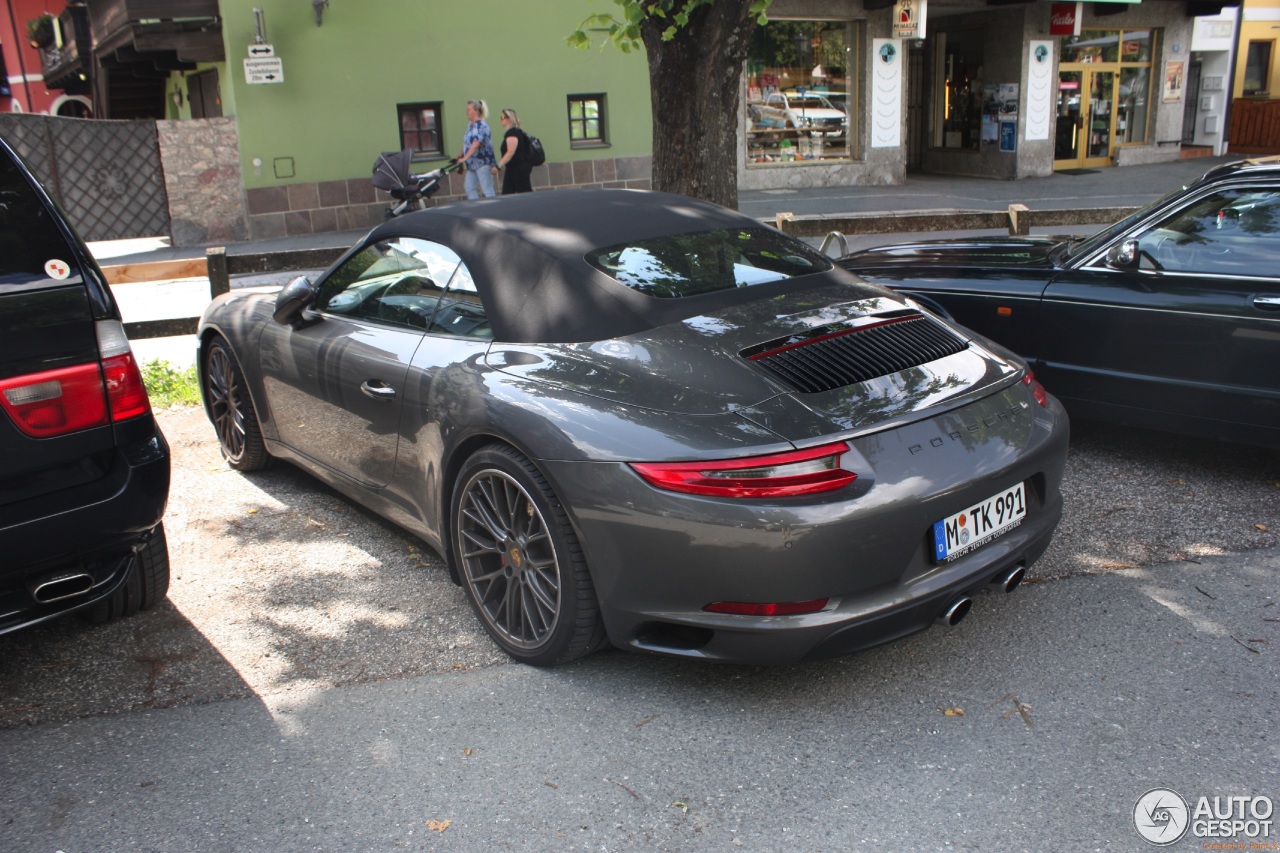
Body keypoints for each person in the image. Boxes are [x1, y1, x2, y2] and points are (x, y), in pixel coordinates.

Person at [457, 99, 497, 199]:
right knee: (469, 187)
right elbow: (467, 142)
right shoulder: (470, 125)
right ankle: (476, 208)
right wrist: (460, 155)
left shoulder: (481, 125)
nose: (467, 112)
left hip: (482, 162)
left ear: (477, 111)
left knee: (487, 189)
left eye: (469, 109)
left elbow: (476, 144)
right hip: (472, 163)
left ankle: (493, 209)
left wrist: (464, 158)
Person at [495, 108, 534, 195]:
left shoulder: (512, 133)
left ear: (509, 119)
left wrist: (498, 165)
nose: (500, 119)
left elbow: (510, 152)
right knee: (507, 194)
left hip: (518, 168)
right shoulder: (516, 132)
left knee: (525, 194)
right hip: (513, 168)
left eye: (502, 117)